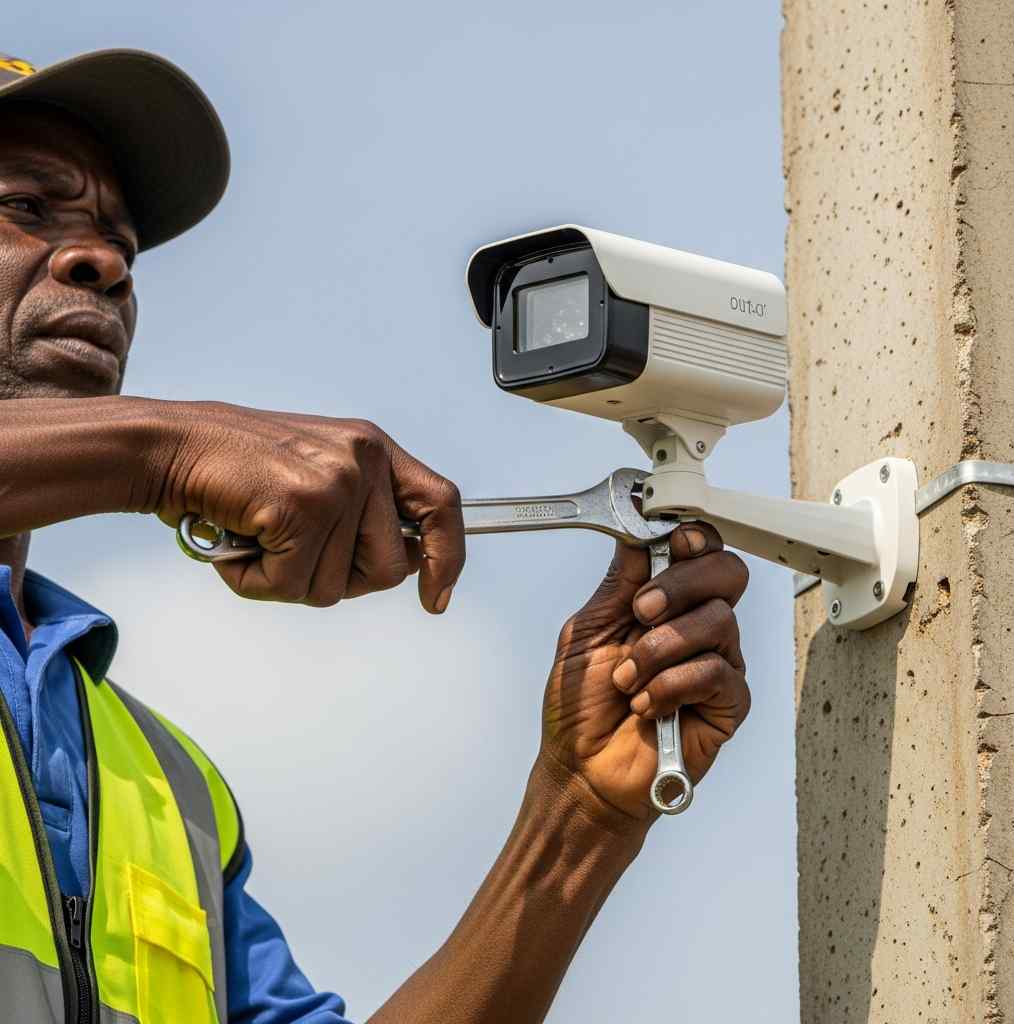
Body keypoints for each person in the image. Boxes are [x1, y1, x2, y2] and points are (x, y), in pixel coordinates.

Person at [0, 49, 752, 1024]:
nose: (104, 263)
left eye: (123, 244)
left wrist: (580, 818)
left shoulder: (162, 786)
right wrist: (170, 448)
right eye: (24, 207)